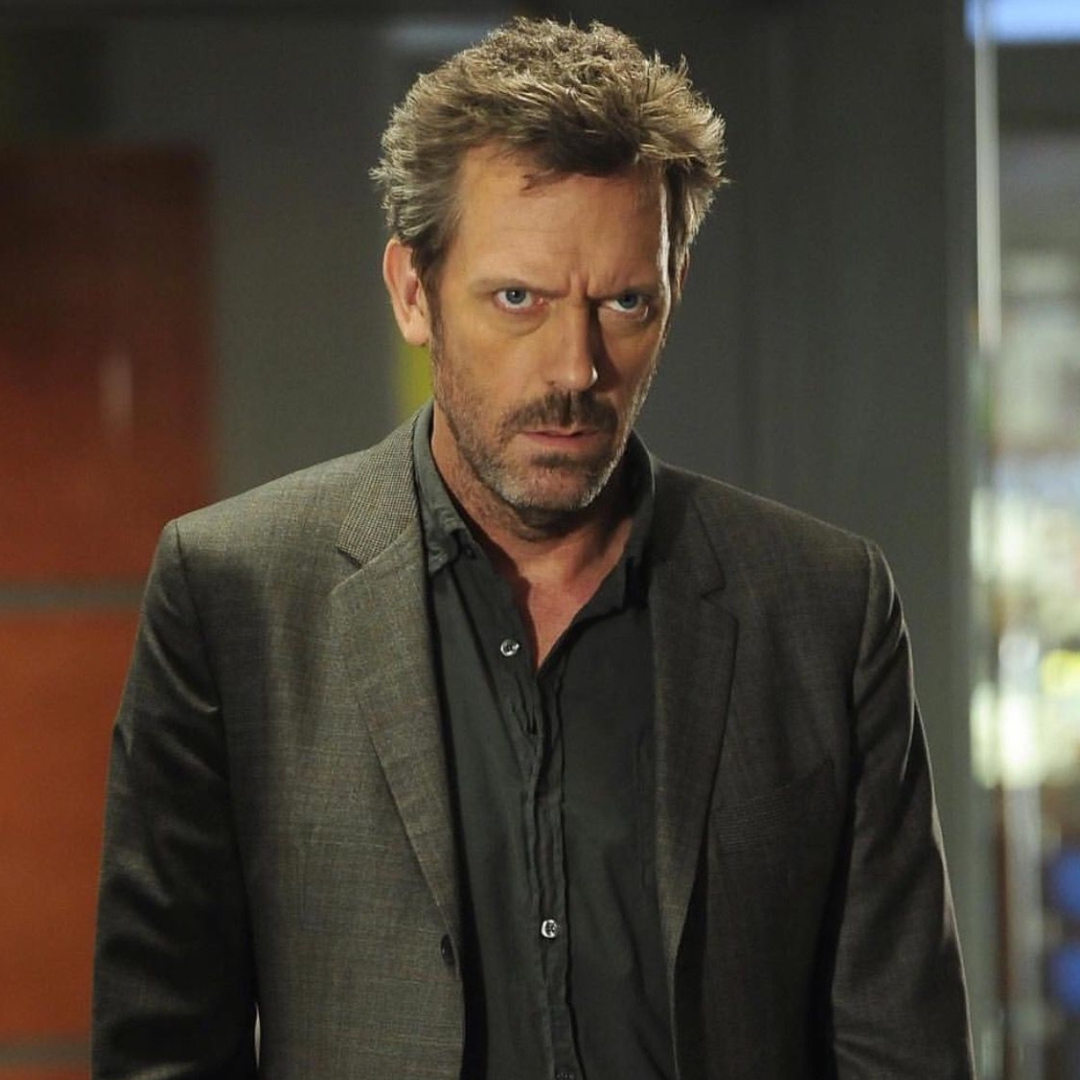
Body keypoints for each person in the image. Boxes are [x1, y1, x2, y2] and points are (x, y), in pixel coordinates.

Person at [92, 16, 975, 1080]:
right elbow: (162, 1050)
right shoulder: (235, 596)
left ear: (673, 289)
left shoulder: (822, 609)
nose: (574, 367)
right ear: (412, 293)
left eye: (624, 302)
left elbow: (903, 1051)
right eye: (518, 299)